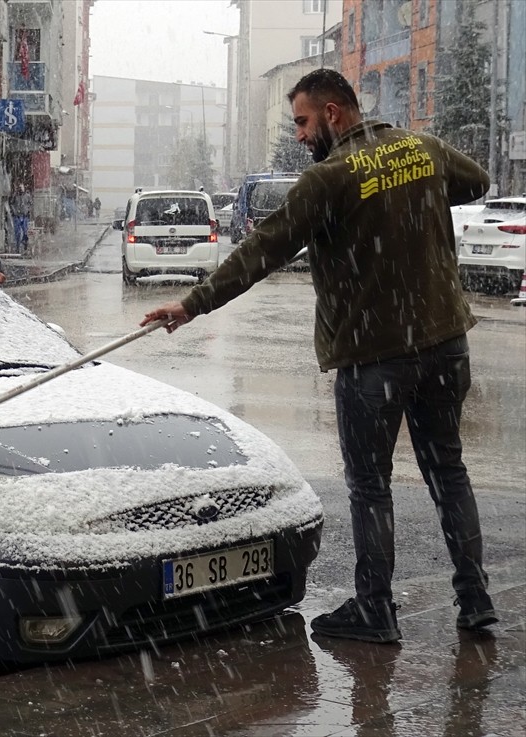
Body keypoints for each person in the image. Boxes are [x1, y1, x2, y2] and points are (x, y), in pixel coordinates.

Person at [140, 68, 495, 644]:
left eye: (303, 121)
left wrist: (193, 304)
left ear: (333, 113)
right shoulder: (421, 147)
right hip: (444, 343)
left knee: (371, 487)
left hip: (372, 355)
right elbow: (475, 182)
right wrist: (414, 192)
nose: (300, 135)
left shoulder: (328, 179)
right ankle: (475, 601)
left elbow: (264, 249)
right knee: (448, 472)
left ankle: (375, 609)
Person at [9, 183, 33, 254]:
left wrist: (28, 210)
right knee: (17, 233)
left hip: (25, 216)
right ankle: (17, 247)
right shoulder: (15, 196)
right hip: (17, 216)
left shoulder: (27, 196)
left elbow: (31, 204)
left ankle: (25, 245)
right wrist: (14, 211)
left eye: (22, 188)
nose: (21, 189)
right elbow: (11, 203)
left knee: (25, 232)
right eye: (19, 188)